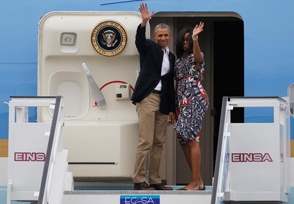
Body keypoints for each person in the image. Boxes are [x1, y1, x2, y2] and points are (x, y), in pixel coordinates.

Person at [131, 3, 175, 190]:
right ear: (155, 37)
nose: (163, 38)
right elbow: (139, 41)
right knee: (146, 141)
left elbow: (170, 84)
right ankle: (139, 180)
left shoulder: (171, 56)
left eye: (166, 35)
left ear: (169, 37)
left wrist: (172, 108)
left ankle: (155, 180)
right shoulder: (149, 47)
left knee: (159, 143)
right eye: (160, 35)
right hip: (148, 97)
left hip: (163, 101)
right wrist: (143, 23)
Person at [174, 22, 209, 190]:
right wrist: (175, 106)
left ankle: (194, 182)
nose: (185, 42)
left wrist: (195, 39)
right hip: (182, 101)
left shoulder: (196, 54)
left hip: (194, 98)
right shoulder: (180, 59)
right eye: (184, 39)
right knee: (183, 140)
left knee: (192, 140)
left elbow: (198, 58)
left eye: (188, 39)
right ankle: (199, 181)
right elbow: (177, 82)